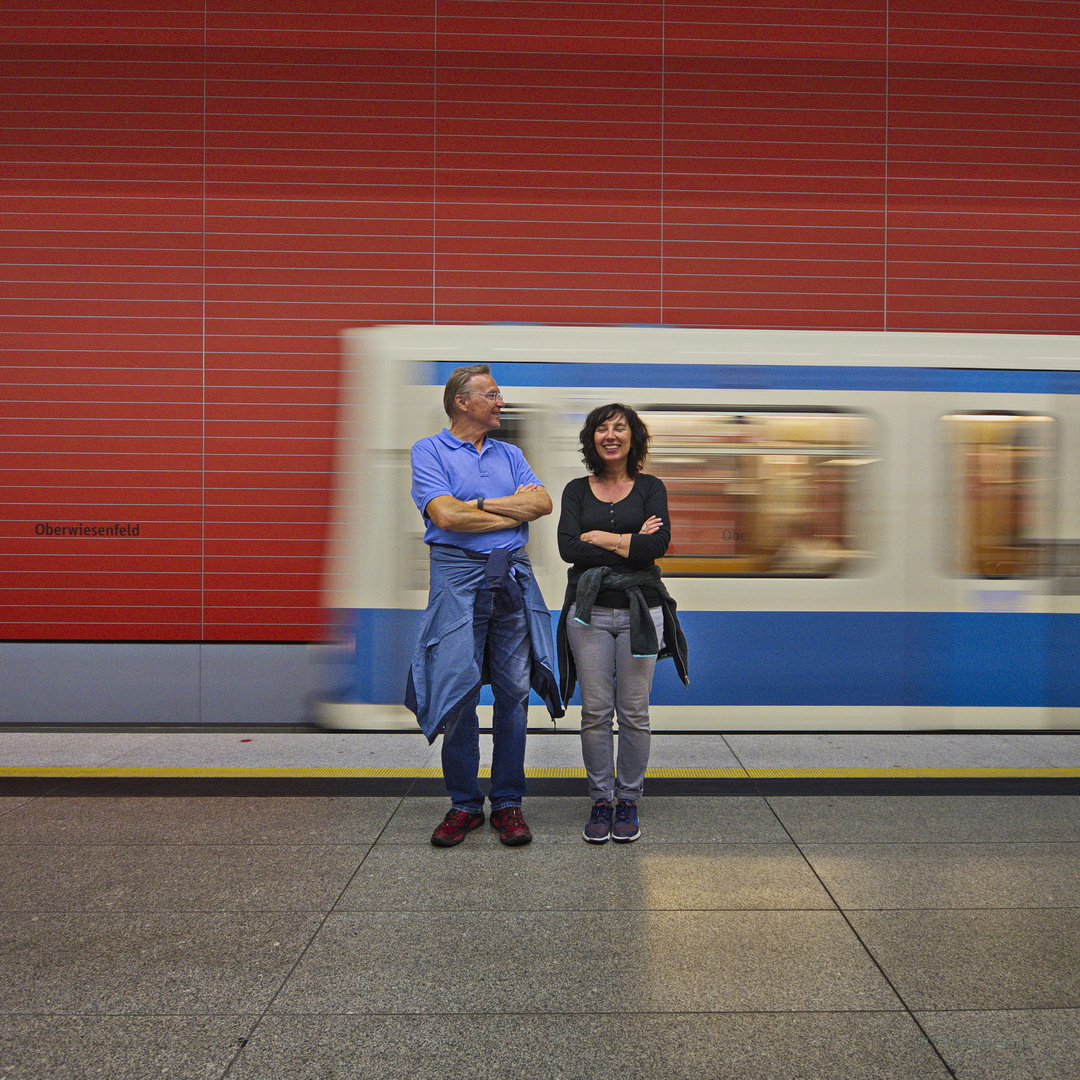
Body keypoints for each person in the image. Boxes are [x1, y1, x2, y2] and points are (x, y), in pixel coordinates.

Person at [405, 364, 563, 848]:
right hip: (456, 579)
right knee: (458, 693)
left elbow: (542, 505)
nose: (500, 402)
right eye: (492, 394)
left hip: (511, 576)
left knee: (515, 693)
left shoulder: (510, 452)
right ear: (461, 402)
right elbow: (445, 516)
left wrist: (475, 507)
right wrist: (504, 507)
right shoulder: (428, 450)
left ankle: (509, 802)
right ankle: (464, 805)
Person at [557, 404, 688, 844]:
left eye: (619, 428)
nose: (610, 435)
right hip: (587, 614)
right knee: (595, 712)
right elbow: (568, 550)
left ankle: (628, 799)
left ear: (634, 438)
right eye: (601, 429)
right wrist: (632, 542)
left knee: (633, 712)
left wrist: (603, 538)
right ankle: (601, 799)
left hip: (641, 611)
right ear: (591, 439)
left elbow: (660, 544)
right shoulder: (577, 490)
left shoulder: (651, 486)